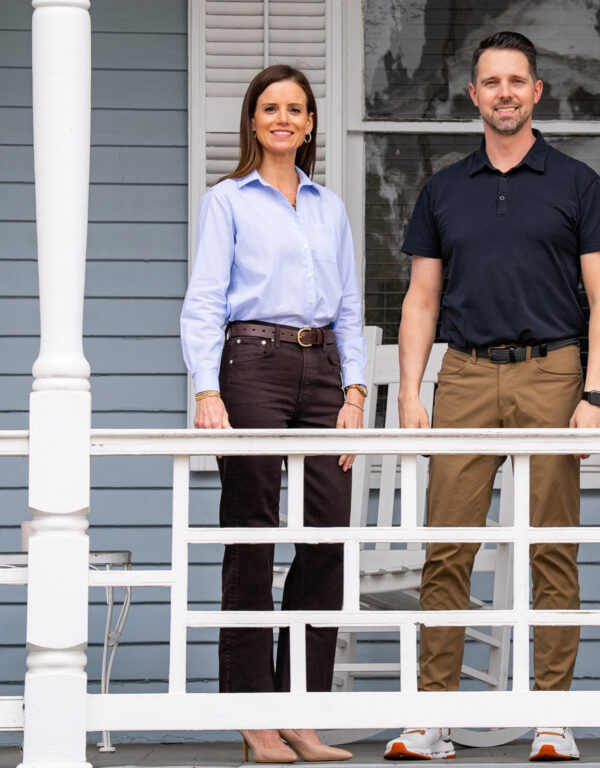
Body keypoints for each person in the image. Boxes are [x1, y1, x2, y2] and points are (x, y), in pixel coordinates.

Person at [382, 31, 600, 763]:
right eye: (492, 83)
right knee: (447, 546)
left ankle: (552, 717)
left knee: (552, 545)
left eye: (517, 81)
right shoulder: (443, 187)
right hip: (462, 373)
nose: (505, 93)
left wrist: (595, 390)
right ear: (475, 96)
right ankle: (433, 717)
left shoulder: (577, 184)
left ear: (537, 92)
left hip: (552, 371)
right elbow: (421, 301)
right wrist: (411, 392)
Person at [180, 64, 365, 764]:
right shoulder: (227, 200)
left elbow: (349, 307)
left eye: (295, 108)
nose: (283, 118)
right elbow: (204, 300)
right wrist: (207, 389)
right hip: (251, 362)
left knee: (326, 536)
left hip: (323, 373)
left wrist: (354, 395)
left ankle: (302, 715)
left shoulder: (330, 207)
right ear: (252, 122)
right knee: (252, 535)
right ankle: (255, 717)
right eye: (269, 108)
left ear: (311, 123)